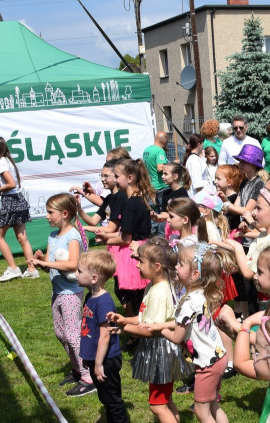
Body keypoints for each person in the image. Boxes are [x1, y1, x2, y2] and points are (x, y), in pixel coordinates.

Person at [157, 244, 245, 423]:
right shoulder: (202, 294)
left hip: (207, 364)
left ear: (195, 274)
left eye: (180, 264)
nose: (175, 266)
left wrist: (160, 328)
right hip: (218, 357)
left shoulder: (188, 302)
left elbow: (177, 337)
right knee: (213, 405)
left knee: (201, 410)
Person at [108, 238, 195, 423]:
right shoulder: (154, 286)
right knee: (165, 401)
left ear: (157, 266)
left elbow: (150, 330)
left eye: (141, 261)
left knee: (157, 404)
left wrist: (123, 329)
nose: (136, 265)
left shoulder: (160, 291)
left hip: (161, 351)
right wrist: (125, 319)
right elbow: (143, 317)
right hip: (159, 349)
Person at [28, 193, 94, 396]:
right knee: (60, 333)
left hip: (71, 293)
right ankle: (76, 369)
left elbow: (73, 264)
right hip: (57, 291)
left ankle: (88, 377)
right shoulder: (52, 236)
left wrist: (45, 262)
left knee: (73, 336)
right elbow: (51, 265)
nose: (47, 216)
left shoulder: (72, 236)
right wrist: (42, 261)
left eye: (50, 212)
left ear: (64, 214)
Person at [76, 250, 129, 423]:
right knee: (103, 395)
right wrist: (88, 357)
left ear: (94, 277)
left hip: (106, 359)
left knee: (112, 396)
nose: (76, 274)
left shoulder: (104, 302)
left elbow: (105, 335)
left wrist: (98, 363)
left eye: (80, 271)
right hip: (96, 358)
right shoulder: (90, 296)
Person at [93, 158, 155, 315]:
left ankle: (137, 336)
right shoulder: (140, 199)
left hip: (132, 255)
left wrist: (105, 239)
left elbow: (125, 239)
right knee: (141, 299)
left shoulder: (129, 204)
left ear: (129, 178)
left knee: (133, 300)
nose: (114, 179)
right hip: (143, 249)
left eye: (117, 175)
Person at [0, 137, 39, 282]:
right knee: (22, 238)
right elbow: (12, 185)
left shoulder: (1, 162)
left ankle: (13, 268)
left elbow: (11, 183)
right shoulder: (7, 160)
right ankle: (32, 269)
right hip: (18, 199)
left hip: (11, 202)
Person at [142, 130, 169, 212]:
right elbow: (160, 168)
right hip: (160, 186)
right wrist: (172, 166)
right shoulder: (160, 151)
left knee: (153, 212)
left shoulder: (147, 150)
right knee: (164, 211)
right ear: (165, 141)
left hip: (150, 186)